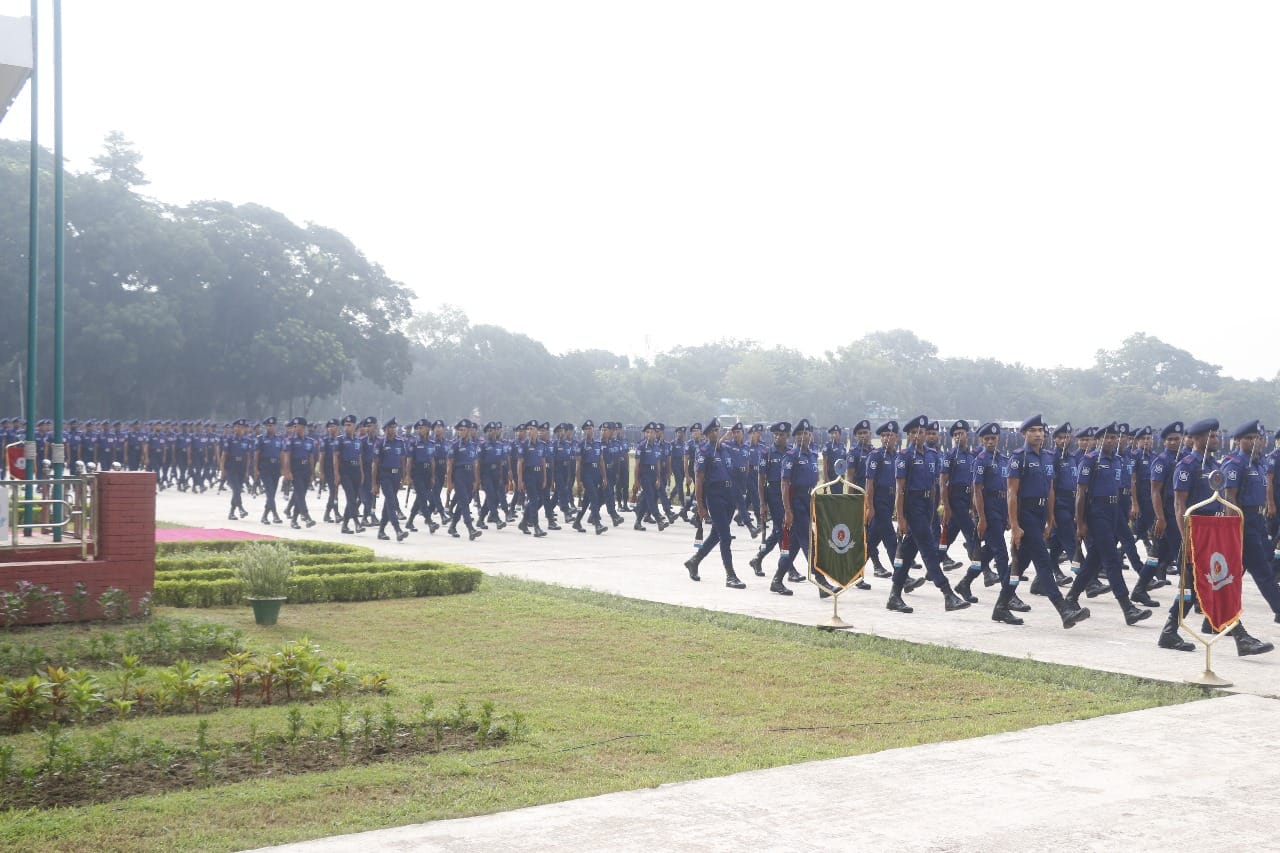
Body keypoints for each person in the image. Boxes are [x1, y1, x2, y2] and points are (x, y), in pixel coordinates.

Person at [1162, 418, 1272, 655]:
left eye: (1216, 436)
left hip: (1212, 532)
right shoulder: (1187, 465)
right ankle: (1240, 637)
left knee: (1198, 586)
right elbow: (1179, 505)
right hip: (1195, 532)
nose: (1216, 440)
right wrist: (1187, 538)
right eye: (1211, 436)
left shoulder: (1214, 464)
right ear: (1199, 438)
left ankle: (1169, 632)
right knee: (1214, 583)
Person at [1007, 414, 1090, 628]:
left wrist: (1049, 517)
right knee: (1043, 561)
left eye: (1040, 430)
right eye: (1032, 430)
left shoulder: (1046, 457)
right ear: (1024, 434)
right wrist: (1015, 525)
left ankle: (1001, 604)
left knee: (1021, 562)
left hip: (1040, 513)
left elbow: (1051, 489)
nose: (1037, 434)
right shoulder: (1018, 457)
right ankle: (1063, 610)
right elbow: (1012, 493)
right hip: (1025, 513)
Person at [1066, 422, 1150, 625]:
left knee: (1095, 559)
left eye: (1114, 437)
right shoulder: (1090, 460)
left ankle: (1071, 597)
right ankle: (1127, 607)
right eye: (1107, 437)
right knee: (1112, 559)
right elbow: (1081, 493)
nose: (1111, 440)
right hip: (1097, 512)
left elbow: (1122, 489)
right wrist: (1080, 523)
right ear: (1098, 439)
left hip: (1114, 512)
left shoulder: (1118, 461)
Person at [888, 415, 968, 613]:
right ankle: (947, 593)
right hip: (912, 506)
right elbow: (900, 490)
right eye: (913, 432)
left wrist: (934, 512)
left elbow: (934, 487)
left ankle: (894, 596)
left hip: (926, 506)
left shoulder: (932, 455)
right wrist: (900, 518)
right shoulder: (905, 456)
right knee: (929, 550)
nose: (917, 435)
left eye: (921, 432)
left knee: (907, 554)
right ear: (909, 435)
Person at [971, 421, 1041, 625]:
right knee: (1001, 554)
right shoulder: (980, 460)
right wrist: (981, 517)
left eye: (994, 438)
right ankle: (1009, 595)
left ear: (998, 439)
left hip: (1001, 510)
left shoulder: (1004, 459)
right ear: (982, 440)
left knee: (988, 553)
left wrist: (1010, 518)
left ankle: (965, 584)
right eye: (987, 439)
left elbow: (1009, 491)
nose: (991, 441)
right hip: (988, 510)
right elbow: (977, 491)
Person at [683, 418, 746, 588]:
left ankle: (694, 561)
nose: (716, 433)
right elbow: (699, 478)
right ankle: (730, 575)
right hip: (715, 495)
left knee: (716, 534)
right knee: (725, 536)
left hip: (729, 495)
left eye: (717, 430)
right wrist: (701, 506)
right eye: (713, 431)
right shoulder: (704, 451)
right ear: (707, 434)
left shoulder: (724, 449)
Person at [750, 421, 792, 579]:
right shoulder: (766, 453)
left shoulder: (791, 452)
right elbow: (761, 480)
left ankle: (757, 558)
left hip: (787, 494)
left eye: (782, 435)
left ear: (787, 436)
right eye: (776, 434)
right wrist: (762, 504)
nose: (778, 437)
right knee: (782, 530)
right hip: (773, 494)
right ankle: (789, 568)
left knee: (777, 532)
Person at [863, 421, 899, 582]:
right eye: (883, 436)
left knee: (871, 542)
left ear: (896, 437)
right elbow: (869, 483)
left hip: (891, 499)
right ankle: (902, 577)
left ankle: (851, 572)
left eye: (889, 435)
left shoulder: (896, 456)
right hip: (879, 500)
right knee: (891, 538)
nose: (886, 438)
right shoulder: (876, 455)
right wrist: (869, 506)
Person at [371, 418, 410, 541]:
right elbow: (375, 465)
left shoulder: (400, 442)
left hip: (396, 475)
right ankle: (398, 530)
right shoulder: (380, 443)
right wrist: (374, 484)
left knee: (388, 504)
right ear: (386, 429)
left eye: (395, 427)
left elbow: (403, 460)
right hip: (385, 475)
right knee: (392, 502)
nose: (393, 430)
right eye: (391, 428)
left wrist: (403, 477)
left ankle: (381, 531)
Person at [573, 420, 609, 534]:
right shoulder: (581, 444)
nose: (589, 430)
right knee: (594, 496)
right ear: (584, 431)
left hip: (596, 473)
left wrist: (604, 477)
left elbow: (601, 461)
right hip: (586, 473)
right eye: (587, 429)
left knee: (587, 500)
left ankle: (577, 521)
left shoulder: (598, 444)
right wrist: (579, 481)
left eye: (591, 428)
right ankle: (597, 524)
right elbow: (578, 464)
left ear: (594, 429)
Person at [406, 419, 440, 534]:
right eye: (418, 428)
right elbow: (409, 461)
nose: (420, 430)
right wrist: (408, 476)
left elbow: (432, 461)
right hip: (418, 473)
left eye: (422, 428)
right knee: (423, 498)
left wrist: (433, 476)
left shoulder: (431, 443)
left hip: (427, 473)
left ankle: (410, 521)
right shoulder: (414, 442)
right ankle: (430, 522)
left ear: (427, 429)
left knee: (420, 499)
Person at [282, 417, 317, 528]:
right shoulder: (290, 440)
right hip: (295, 469)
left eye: (298, 426)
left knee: (300, 495)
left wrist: (312, 473)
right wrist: (287, 472)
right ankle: (306, 516)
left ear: (303, 427)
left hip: (306, 469)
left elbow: (311, 458)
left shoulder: (309, 441)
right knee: (300, 494)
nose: (295, 428)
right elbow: (287, 457)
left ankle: (294, 520)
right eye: (294, 426)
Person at [334, 415, 366, 534]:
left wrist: (362, 473)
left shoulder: (358, 441)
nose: (347, 428)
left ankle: (345, 525)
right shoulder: (340, 439)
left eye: (349, 425)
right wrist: (336, 474)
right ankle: (357, 523)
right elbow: (336, 457)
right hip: (345, 471)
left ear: (354, 426)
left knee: (353, 499)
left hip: (356, 470)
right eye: (345, 425)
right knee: (351, 498)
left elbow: (360, 457)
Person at [254, 417, 285, 525]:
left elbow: (281, 454)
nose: (270, 427)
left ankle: (264, 516)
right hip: (265, 467)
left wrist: (283, 468)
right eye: (268, 425)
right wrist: (256, 469)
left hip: (275, 467)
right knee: (270, 492)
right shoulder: (261, 438)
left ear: (275, 426)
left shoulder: (279, 439)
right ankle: (275, 515)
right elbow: (257, 454)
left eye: (272, 425)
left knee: (272, 493)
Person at [221, 419, 253, 521]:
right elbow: (224, 456)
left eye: (242, 427)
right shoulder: (229, 440)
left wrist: (247, 471)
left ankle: (231, 513)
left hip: (241, 467)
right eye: (238, 427)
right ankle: (241, 508)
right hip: (231, 467)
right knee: (237, 489)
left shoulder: (246, 440)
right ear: (234, 428)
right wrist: (222, 471)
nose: (240, 429)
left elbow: (248, 457)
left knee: (237, 490)